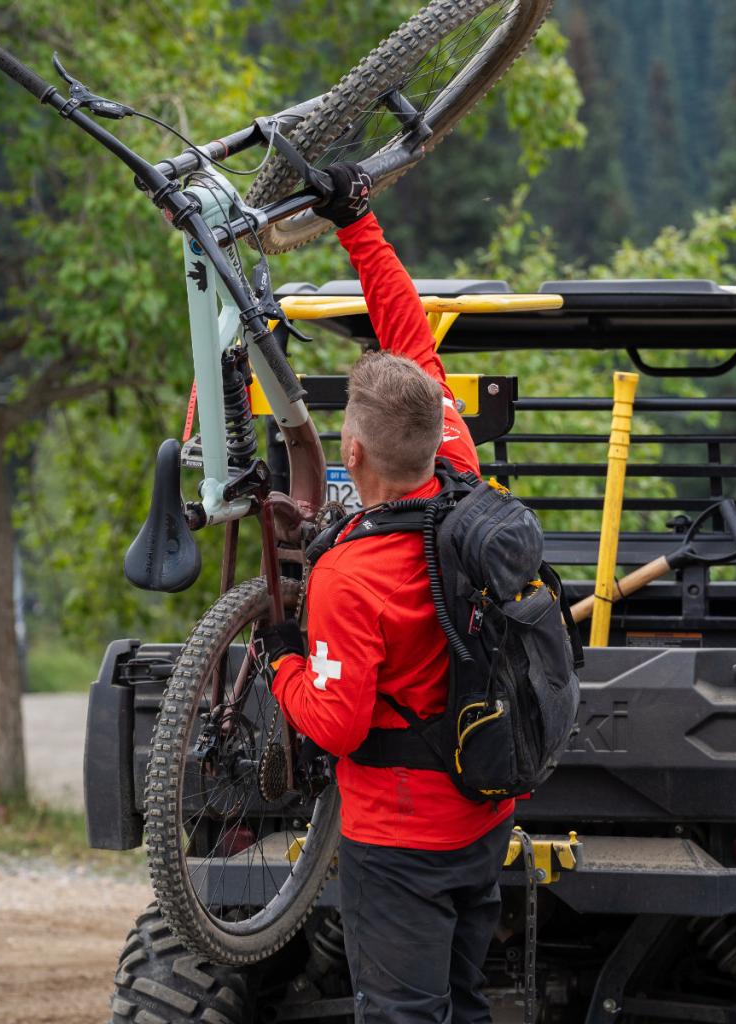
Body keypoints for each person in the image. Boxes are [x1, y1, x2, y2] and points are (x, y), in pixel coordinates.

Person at [255, 162, 512, 1024]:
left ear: (352, 457)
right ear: (440, 428)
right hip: (482, 812)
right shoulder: (465, 482)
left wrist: (286, 664)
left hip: (401, 839)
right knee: (466, 1004)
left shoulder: (349, 576)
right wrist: (356, 221)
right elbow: (411, 344)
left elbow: (336, 724)